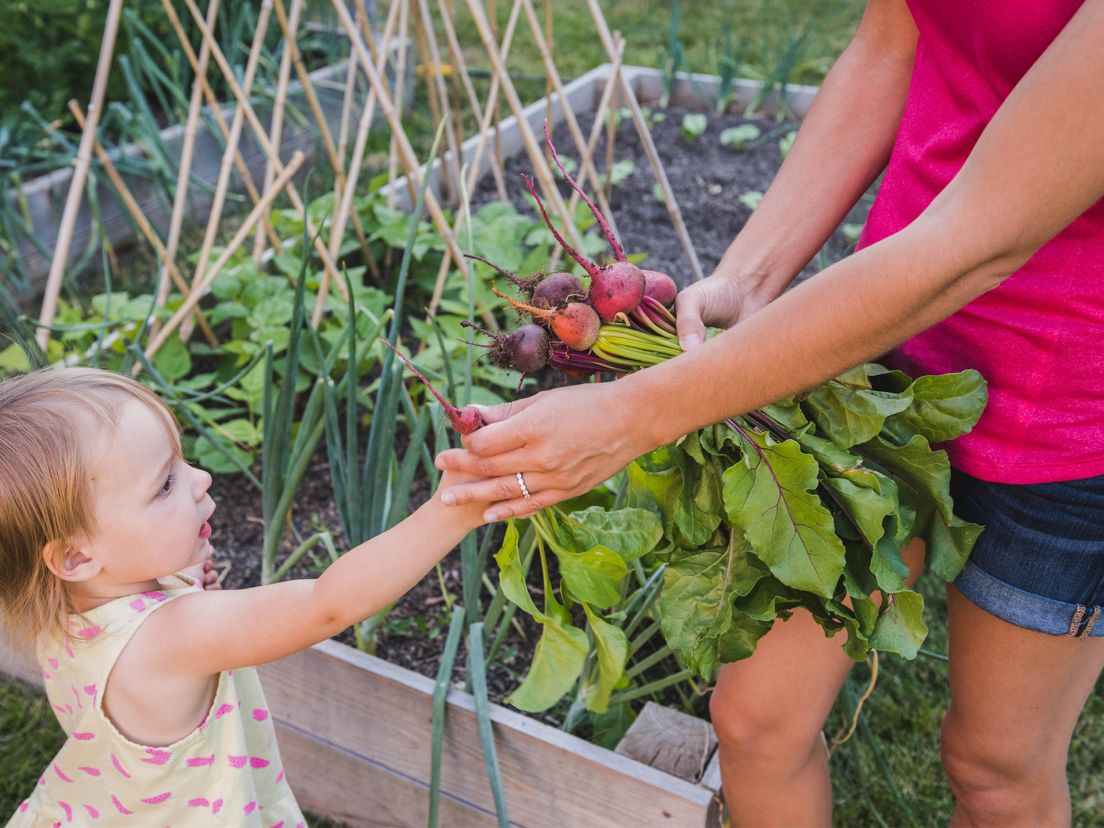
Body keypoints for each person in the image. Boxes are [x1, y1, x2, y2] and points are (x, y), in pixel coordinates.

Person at [434, 0, 1104, 824]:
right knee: (755, 724)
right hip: (871, 357)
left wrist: (636, 414)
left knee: (994, 766)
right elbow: (893, 38)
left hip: (1074, 414)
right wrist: (751, 276)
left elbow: (980, 238)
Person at [1, 366, 487, 827]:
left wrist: (184, 577)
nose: (200, 478)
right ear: (75, 557)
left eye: (180, 460)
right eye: (165, 484)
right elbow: (326, 605)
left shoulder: (62, 604)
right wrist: (453, 510)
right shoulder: (171, 637)